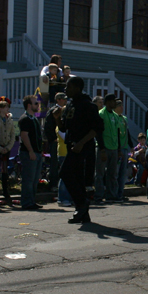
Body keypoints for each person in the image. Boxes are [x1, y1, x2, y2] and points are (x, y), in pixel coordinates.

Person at [53, 76, 103, 223]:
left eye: (68, 86)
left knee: (65, 173)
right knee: (78, 178)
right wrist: (57, 118)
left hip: (83, 146)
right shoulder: (70, 105)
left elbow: (97, 128)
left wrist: (81, 143)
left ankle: (82, 202)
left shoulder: (88, 105)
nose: (65, 89)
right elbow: (64, 128)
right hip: (71, 146)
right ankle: (83, 213)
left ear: (77, 88)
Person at [18, 95, 44, 210]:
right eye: (36, 103)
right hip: (28, 153)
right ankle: (26, 202)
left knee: (34, 180)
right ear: (29, 105)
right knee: (28, 179)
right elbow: (24, 136)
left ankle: (32, 201)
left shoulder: (34, 119)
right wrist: (31, 151)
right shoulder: (25, 119)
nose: (38, 105)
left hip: (37, 152)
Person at [95, 93, 121, 202]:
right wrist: (102, 149)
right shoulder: (101, 114)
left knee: (113, 174)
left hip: (114, 148)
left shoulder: (115, 115)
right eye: (113, 101)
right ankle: (99, 196)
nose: (115, 103)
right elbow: (98, 133)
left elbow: (118, 132)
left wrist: (119, 149)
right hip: (104, 148)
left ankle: (111, 195)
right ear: (108, 102)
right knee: (100, 174)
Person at [45, 92, 68, 192]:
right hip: (56, 141)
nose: (65, 101)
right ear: (58, 100)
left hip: (63, 141)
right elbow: (48, 126)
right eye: (63, 99)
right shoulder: (53, 111)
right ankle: (53, 184)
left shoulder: (65, 110)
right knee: (54, 163)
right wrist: (53, 138)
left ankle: (59, 184)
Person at [115, 100, 132, 201]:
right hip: (117, 148)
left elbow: (127, 133)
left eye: (122, 105)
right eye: (119, 106)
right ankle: (114, 193)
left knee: (123, 172)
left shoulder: (124, 118)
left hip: (125, 148)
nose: (121, 107)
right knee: (116, 172)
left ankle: (120, 193)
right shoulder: (114, 117)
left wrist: (131, 146)